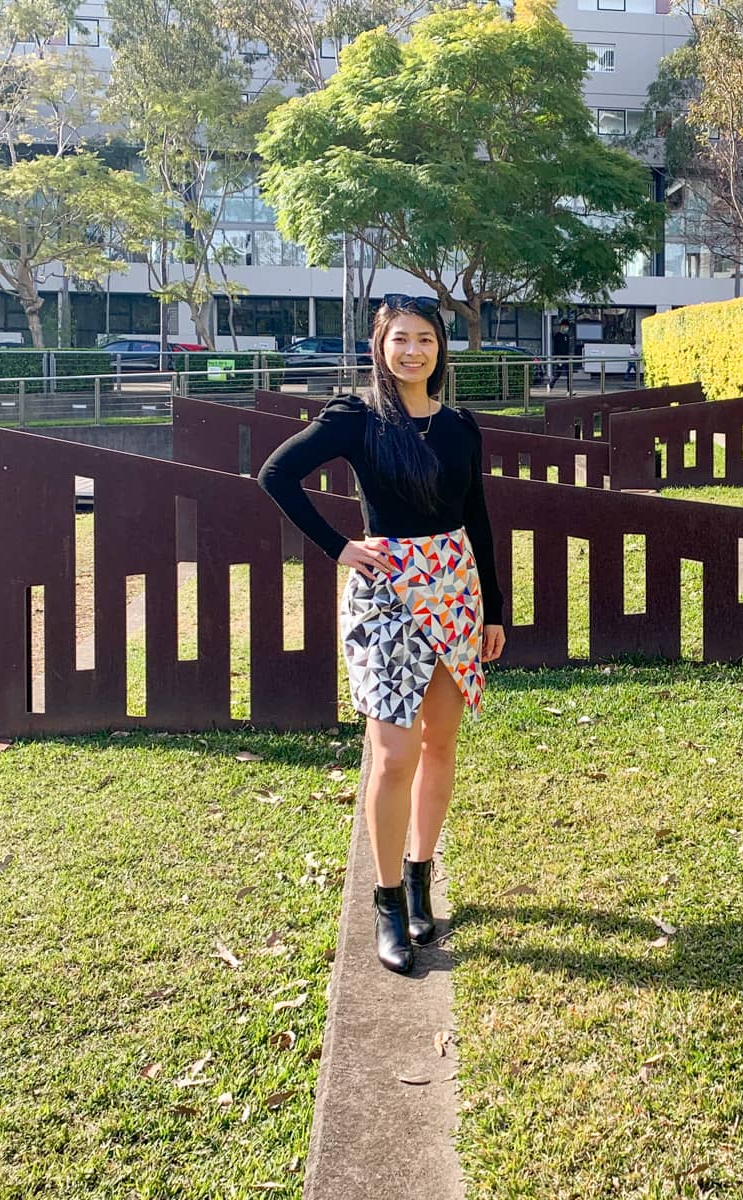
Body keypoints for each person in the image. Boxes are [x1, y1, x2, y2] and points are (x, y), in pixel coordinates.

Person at [257, 296, 506, 975]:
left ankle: (422, 875)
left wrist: (495, 611)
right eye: (401, 339)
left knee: (442, 744)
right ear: (380, 345)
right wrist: (339, 546)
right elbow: (276, 474)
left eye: (426, 339)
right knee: (394, 753)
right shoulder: (356, 417)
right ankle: (389, 899)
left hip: (455, 589)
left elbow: (477, 516)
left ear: (440, 350)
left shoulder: (459, 425)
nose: (413, 351)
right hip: (386, 596)